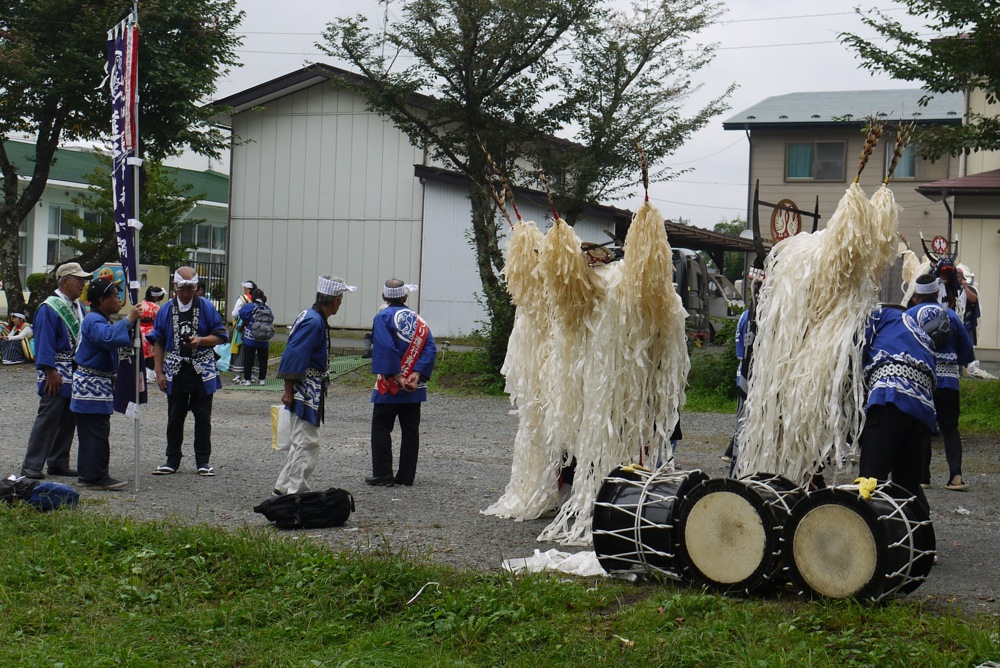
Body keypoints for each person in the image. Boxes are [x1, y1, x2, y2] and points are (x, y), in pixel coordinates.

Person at [273, 275, 356, 495]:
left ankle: (283, 487)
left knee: (302, 439)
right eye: (341, 299)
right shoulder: (313, 321)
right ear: (336, 300)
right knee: (307, 440)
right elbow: (293, 354)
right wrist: (288, 391)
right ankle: (296, 490)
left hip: (307, 385)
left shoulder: (311, 317)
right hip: (305, 386)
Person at [147, 266, 228, 476]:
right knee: (175, 417)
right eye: (182, 288)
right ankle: (172, 460)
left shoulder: (207, 308)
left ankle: (203, 461)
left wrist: (200, 341)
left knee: (203, 417)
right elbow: (158, 341)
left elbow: (220, 336)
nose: (186, 293)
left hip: (202, 369)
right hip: (176, 369)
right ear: (174, 287)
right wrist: (158, 372)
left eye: (191, 288)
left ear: (196, 288)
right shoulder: (165, 310)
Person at [858, 303, 936, 512]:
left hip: (889, 397)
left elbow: (853, 352)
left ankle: (866, 533)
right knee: (908, 486)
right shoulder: (921, 334)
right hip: (922, 410)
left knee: (871, 478)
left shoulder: (878, 316)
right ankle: (919, 537)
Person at [20, 261, 91, 480]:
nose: (83, 285)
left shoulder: (79, 307)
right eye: (79, 281)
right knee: (48, 417)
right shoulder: (49, 307)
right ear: (66, 281)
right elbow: (44, 342)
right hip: (56, 371)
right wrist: (49, 370)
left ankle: (59, 461)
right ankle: (32, 464)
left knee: (69, 418)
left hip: (74, 371)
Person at [907, 274, 976, 491]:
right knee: (950, 429)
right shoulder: (951, 316)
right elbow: (967, 353)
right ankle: (956, 476)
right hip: (948, 382)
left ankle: (922, 477)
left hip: (921, 381)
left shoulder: (908, 317)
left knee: (922, 428)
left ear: (916, 296)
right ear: (938, 293)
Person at [72, 278, 141, 490]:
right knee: (96, 432)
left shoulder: (98, 319)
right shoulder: (94, 321)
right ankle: (95, 476)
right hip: (91, 383)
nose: (119, 300)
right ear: (102, 300)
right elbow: (107, 338)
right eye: (114, 296)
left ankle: (89, 473)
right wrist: (128, 320)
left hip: (94, 383)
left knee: (93, 431)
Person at [367, 280, 437, 487]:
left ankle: (382, 474)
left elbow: (385, 347)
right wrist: (416, 373)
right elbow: (430, 348)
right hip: (415, 386)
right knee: (410, 430)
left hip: (391, 386)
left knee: (381, 427)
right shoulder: (419, 320)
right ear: (405, 297)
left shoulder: (383, 317)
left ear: (384, 296)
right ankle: (406, 476)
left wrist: (397, 376)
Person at [237, 288, 273, 385]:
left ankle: (247, 379)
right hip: (264, 338)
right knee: (263, 360)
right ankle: (262, 379)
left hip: (251, 337)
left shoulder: (250, 306)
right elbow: (272, 318)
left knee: (249, 358)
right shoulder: (267, 308)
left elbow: (241, 314)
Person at [229, 279, 256, 382]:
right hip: (253, 328)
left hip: (241, 327)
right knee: (253, 351)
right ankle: (253, 374)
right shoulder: (256, 299)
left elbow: (235, 314)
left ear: (246, 289)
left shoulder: (242, 299)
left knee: (240, 350)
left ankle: (238, 374)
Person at [139, 286, 165, 379]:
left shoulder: (141, 304)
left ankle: (144, 372)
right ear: (156, 297)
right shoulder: (156, 307)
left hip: (140, 330)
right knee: (151, 353)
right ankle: (149, 373)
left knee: (143, 352)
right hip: (151, 331)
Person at [955, 265, 980, 346]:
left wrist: (965, 287)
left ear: (962, 278)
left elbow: (973, 300)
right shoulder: (950, 289)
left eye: (958, 277)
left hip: (966, 323)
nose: (956, 279)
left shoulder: (969, 289)